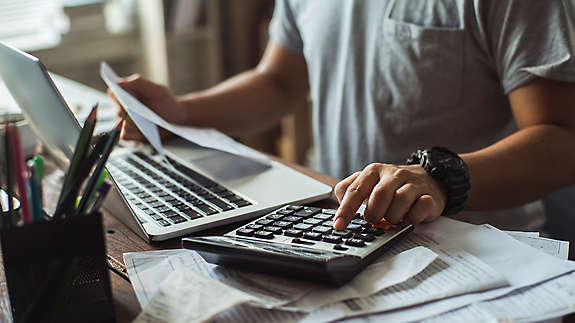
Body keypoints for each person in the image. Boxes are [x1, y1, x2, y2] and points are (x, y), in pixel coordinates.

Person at [113, 0, 575, 232]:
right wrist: (180, 112)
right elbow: (280, 81)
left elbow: (560, 138)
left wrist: (439, 178)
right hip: (342, 231)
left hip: (474, 254)